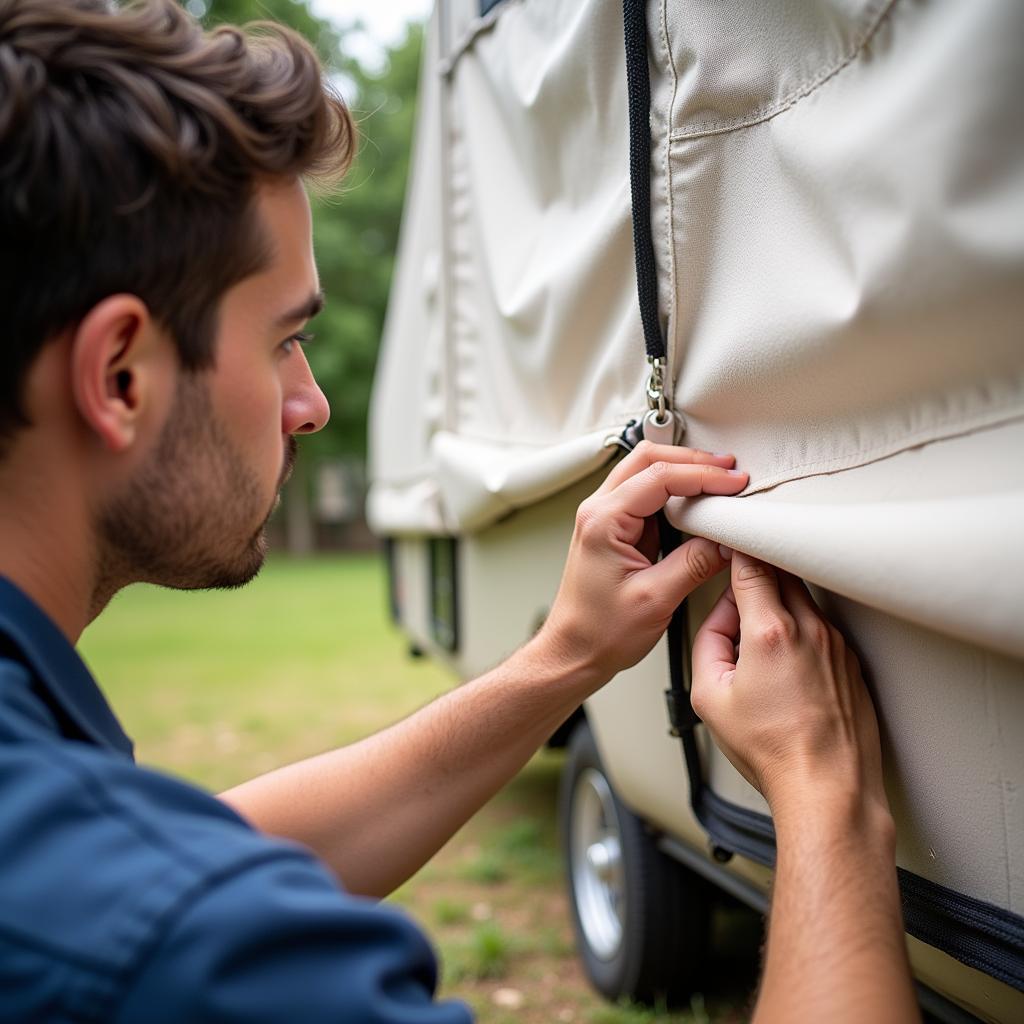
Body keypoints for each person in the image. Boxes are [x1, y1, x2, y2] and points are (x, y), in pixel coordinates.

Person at [0, 1, 917, 1021]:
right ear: (119, 375)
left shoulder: (64, 838)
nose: (312, 405)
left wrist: (564, 654)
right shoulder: (183, 952)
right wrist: (829, 801)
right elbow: (168, 904)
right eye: (281, 340)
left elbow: (200, 848)